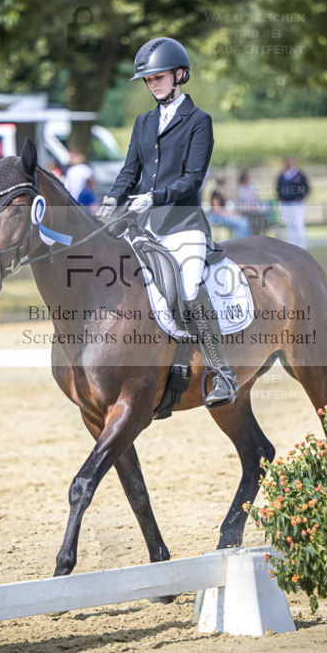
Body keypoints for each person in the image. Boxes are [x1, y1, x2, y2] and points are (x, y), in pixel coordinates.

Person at [97, 36, 238, 408]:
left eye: (158, 77)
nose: (152, 84)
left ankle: (222, 372)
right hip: (145, 227)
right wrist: (113, 198)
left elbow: (193, 178)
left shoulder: (198, 121)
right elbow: (129, 171)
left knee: (189, 288)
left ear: (179, 74)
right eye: (147, 79)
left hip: (184, 225)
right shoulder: (143, 123)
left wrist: (154, 197)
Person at [276, 156, 309, 249]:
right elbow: (278, 187)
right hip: (285, 203)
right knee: (288, 225)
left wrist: (300, 196)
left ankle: (303, 245)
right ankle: (291, 245)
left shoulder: (299, 175)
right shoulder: (282, 175)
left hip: (296, 204)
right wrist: (280, 197)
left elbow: (306, 188)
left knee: (298, 224)